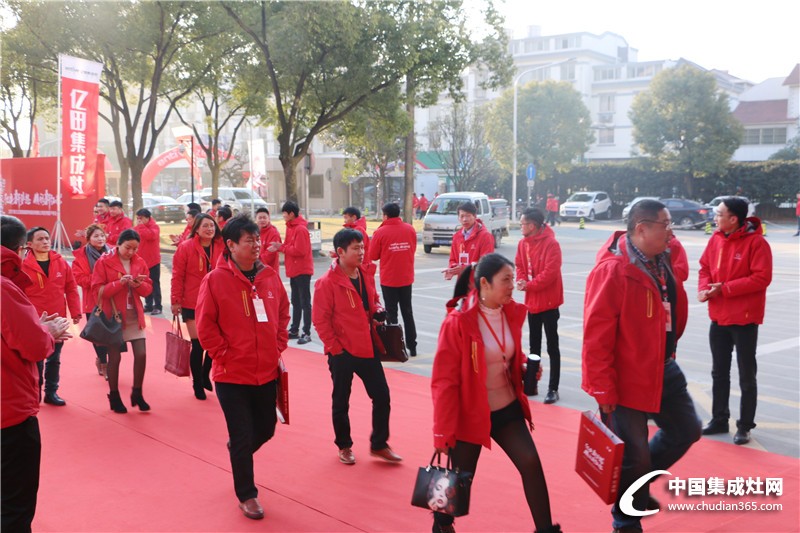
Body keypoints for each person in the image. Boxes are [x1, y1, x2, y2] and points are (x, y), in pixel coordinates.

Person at [582, 200, 701, 533]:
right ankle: (625, 521)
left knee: (687, 430)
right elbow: (596, 334)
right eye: (665, 225)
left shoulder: (661, 257)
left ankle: (639, 481)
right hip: (627, 376)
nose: (671, 232)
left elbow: (680, 269)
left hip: (663, 366)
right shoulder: (613, 270)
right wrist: (602, 387)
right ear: (641, 229)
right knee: (634, 457)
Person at [431, 253, 560, 533]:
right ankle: (442, 525)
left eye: (512, 279)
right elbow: (444, 381)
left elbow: (505, 352)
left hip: (506, 408)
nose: (512, 285)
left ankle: (546, 530)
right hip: (470, 414)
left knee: (531, 463)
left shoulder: (510, 312)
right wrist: (442, 432)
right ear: (485, 284)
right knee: (459, 481)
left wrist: (524, 365)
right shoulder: (459, 322)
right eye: (506, 280)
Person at [196, 215, 290, 521]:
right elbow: (205, 325)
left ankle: (239, 451)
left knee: (266, 429)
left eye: (257, 240)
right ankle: (247, 494)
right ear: (231, 245)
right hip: (231, 375)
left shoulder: (269, 277)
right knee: (241, 434)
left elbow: (283, 312)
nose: (256, 246)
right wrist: (223, 354)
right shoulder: (215, 280)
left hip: (266, 371)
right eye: (249, 241)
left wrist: (278, 344)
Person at [2, 215, 71, 533]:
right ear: (20, 247)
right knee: (15, 504)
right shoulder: (5, 288)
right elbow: (32, 346)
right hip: (9, 410)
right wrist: (46, 332)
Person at [312, 229, 401, 465]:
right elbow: (320, 320)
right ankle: (344, 446)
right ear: (340, 252)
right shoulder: (326, 283)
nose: (361, 252)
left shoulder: (365, 274)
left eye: (362, 247)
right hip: (341, 351)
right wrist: (335, 348)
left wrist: (378, 309)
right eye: (356, 248)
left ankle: (379, 444)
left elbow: (373, 299)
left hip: (367, 346)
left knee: (382, 396)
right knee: (341, 401)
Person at [698, 196, 772, 445]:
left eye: (719, 213)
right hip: (718, 316)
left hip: (745, 319)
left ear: (733, 219)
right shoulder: (716, 239)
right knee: (719, 372)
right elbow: (704, 268)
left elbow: (761, 278)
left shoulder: (757, 243)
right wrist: (704, 288)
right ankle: (719, 419)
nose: (715, 217)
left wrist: (725, 288)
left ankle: (745, 426)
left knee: (746, 375)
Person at [91, 229, 153, 413]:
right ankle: (114, 395)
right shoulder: (104, 262)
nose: (131, 252)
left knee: (141, 354)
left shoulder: (139, 262)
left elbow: (148, 289)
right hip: (114, 315)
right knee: (115, 357)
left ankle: (137, 392)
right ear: (118, 244)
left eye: (135, 249)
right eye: (128, 247)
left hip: (134, 313)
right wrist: (119, 283)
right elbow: (97, 290)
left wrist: (138, 284)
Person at [21, 227, 82, 406]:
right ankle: (35, 392)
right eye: (40, 239)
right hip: (35, 320)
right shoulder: (23, 265)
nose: (45, 242)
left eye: (47, 238)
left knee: (54, 358)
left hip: (58, 319)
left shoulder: (60, 262)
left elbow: (71, 287)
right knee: (37, 360)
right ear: (29, 244)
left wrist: (75, 311)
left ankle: (51, 392)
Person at [171, 214, 224, 400]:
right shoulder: (186, 247)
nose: (209, 229)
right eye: (205, 226)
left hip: (216, 300)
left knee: (214, 343)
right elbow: (177, 275)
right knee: (198, 344)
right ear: (197, 229)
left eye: (212, 225)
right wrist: (175, 300)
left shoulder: (222, 245)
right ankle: (197, 384)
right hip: (191, 301)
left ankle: (204, 373)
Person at [515, 208, 563, 404]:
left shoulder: (552, 244)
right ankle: (531, 383)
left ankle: (553, 388)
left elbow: (550, 274)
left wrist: (529, 285)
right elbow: (519, 265)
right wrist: (520, 279)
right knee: (534, 345)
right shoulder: (522, 244)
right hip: (532, 302)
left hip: (549, 303)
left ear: (532, 226)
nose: (521, 227)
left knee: (552, 346)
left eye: (522, 224)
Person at [370, 202, 418, 356]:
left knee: (392, 313)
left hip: (389, 279)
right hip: (406, 277)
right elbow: (413, 248)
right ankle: (412, 345)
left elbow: (372, 255)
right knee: (408, 312)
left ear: (385, 215)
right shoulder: (410, 229)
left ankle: (395, 347)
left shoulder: (381, 232)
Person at [267, 201, 314, 345]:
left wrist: (281, 248)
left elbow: (300, 251)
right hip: (294, 270)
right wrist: (281, 247)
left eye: (284, 213)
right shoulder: (291, 227)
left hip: (302, 270)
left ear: (291, 214)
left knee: (305, 302)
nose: (283, 216)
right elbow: (289, 246)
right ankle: (294, 329)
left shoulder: (300, 229)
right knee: (296, 301)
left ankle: (306, 331)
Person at [72, 224, 113, 378]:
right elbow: (79, 278)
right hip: (93, 300)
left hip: (112, 299)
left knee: (112, 334)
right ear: (88, 239)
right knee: (97, 334)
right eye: (96, 236)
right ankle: (103, 362)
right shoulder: (81, 256)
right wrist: (99, 279)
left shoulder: (113, 252)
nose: (100, 238)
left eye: (102, 235)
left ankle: (109, 362)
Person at [444, 202, 494, 281]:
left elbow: (486, 264)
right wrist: (452, 269)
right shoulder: (457, 237)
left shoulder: (485, 236)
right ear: (458, 218)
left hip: (479, 285)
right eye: (462, 216)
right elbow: (452, 259)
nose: (465, 219)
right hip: (462, 284)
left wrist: (465, 268)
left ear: (475, 216)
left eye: (468, 216)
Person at [134, 208, 162, 315]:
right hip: (142, 261)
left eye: (141, 218)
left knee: (155, 283)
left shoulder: (154, 227)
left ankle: (158, 306)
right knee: (145, 283)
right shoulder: (137, 228)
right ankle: (148, 305)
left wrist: (141, 226)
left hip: (153, 261)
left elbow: (150, 236)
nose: (139, 221)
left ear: (147, 218)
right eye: (137, 219)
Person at [342, 206, 373, 274]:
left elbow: (352, 247)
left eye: (346, 217)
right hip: (360, 263)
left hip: (361, 265)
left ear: (354, 217)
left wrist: (337, 253)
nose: (344, 220)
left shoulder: (358, 230)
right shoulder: (355, 229)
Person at [256, 207, 281, 274]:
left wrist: (256, 262)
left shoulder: (274, 233)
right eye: (260, 218)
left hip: (270, 271)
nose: (262, 220)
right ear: (256, 219)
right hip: (257, 269)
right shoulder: (254, 231)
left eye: (264, 218)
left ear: (269, 219)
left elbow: (270, 255)